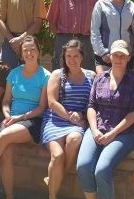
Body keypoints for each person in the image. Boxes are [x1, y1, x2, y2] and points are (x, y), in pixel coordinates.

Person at [76, 40, 134, 199]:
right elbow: (91, 106)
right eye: (115, 55)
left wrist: (112, 134)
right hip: (97, 129)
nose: (118, 59)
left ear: (128, 58)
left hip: (124, 133)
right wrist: (94, 130)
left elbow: (133, 114)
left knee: (102, 170)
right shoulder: (100, 78)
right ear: (110, 57)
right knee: (83, 166)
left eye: (122, 56)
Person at [0, 35, 50, 199]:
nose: (29, 53)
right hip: (11, 119)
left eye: (32, 49)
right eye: (25, 50)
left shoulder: (46, 76)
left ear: (38, 52)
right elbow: (6, 101)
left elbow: (42, 108)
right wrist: (8, 115)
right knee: (5, 153)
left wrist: (17, 118)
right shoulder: (14, 74)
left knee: (4, 136)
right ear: (21, 54)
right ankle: (9, 196)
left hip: (33, 121)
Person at [41, 39, 94, 199]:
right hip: (55, 120)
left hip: (78, 121)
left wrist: (82, 116)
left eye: (75, 56)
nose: (72, 59)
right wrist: (70, 117)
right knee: (57, 155)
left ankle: (55, 179)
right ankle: (52, 195)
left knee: (74, 139)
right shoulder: (57, 74)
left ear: (82, 57)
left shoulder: (92, 76)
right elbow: (52, 102)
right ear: (64, 57)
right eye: (68, 56)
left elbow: (94, 103)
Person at [46, 0, 99, 71]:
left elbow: (98, 24)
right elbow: (52, 22)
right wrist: (62, 37)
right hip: (63, 42)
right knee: (61, 77)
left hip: (86, 42)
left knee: (87, 77)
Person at [90, 0, 134, 73]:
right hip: (106, 58)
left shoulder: (131, 6)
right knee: (106, 88)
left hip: (126, 57)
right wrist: (102, 53)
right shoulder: (100, 5)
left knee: (125, 89)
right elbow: (94, 32)